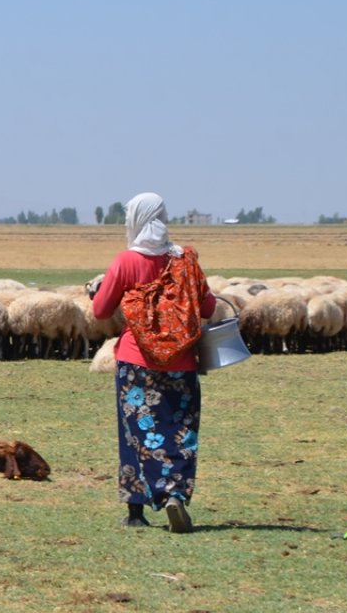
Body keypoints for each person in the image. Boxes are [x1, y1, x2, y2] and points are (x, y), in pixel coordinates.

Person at [91, 192, 215, 533]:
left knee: (136, 433)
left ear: (134, 219)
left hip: (137, 363)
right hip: (182, 363)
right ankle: (175, 494)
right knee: (179, 430)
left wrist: (102, 291)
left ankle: (135, 511)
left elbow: (100, 310)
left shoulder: (126, 262)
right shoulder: (185, 259)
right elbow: (208, 308)